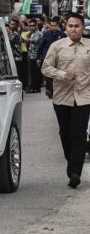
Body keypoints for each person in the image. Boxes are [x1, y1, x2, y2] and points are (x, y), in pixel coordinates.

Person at [41, 12, 90, 189]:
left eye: (77, 26)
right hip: (62, 98)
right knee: (66, 133)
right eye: (70, 26)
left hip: (84, 98)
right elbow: (45, 68)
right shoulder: (57, 46)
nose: (73, 29)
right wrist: (62, 74)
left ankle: (75, 172)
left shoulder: (89, 46)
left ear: (82, 28)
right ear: (65, 27)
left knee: (79, 133)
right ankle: (72, 163)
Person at [38, 17, 67, 98]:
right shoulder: (46, 34)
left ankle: (58, 90)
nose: (53, 27)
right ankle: (49, 90)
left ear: (57, 26)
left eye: (55, 26)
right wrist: (38, 58)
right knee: (48, 74)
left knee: (57, 74)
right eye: (52, 26)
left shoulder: (62, 35)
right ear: (50, 26)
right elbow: (41, 46)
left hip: (59, 58)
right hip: (48, 58)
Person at [27, 19, 43, 93]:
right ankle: (33, 87)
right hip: (31, 55)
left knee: (36, 72)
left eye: (33, 25)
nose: (32, 27)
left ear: (36, 26)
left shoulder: (39, 33)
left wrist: (27, 39)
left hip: (37, 56)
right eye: (30, 26)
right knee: (32, 72)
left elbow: (35, 41)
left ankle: (36, 88)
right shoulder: (31, 33)